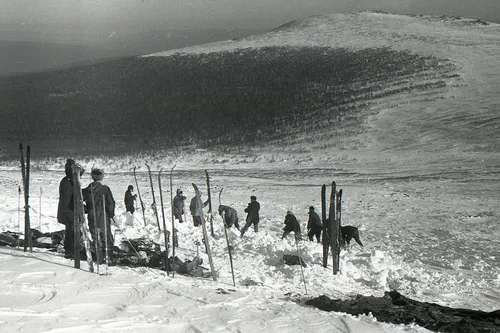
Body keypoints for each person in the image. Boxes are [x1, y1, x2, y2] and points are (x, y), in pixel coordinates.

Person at [82, 168, 116, 261]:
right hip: (103, 217)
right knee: (106, 237)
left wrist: (86, 209)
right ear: (101, 177)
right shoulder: (105, 189)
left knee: (95, 238)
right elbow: (111, 203)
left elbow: (79, 201)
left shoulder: (87, 190)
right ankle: (108, 257)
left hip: (92, 217)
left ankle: (99, 257)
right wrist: (111, 214)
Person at [57, 158, 83, 259]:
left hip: (66, 211)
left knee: (70, 231)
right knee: (73, 232)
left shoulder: (65, 181)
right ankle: (71, 251)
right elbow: (73, 198)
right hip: (70, 211)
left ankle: (70, 250)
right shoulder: (70, 182)